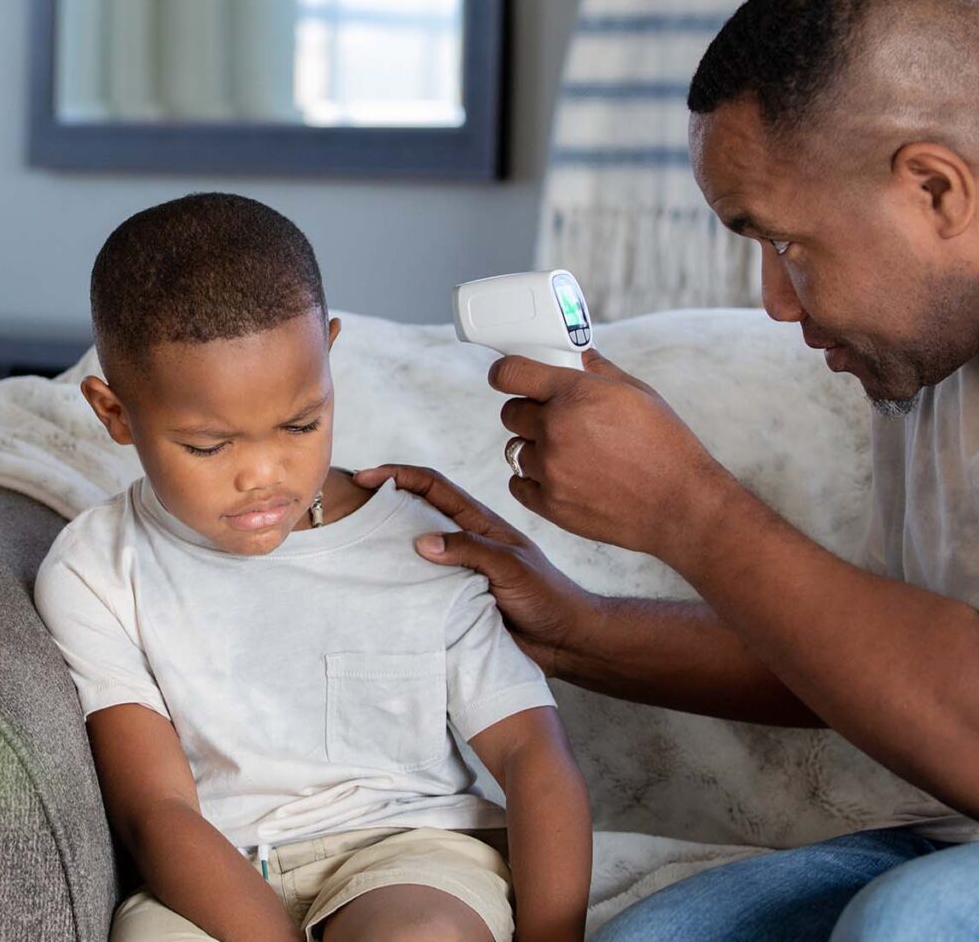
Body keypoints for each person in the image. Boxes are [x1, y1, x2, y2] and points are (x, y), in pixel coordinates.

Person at [355, 0, 979, 940]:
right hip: (973, 840)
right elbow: (900, 669)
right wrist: (578, 624)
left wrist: (686, 505)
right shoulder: (943, 338)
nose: (774, 302)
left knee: (918, 925)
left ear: (933, 189)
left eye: (786, 243)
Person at [33, 193, 591, 942]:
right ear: (115, 414)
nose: (264, 475)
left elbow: (531, 754)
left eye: (300, 424)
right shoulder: (97, 568)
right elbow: (155, 811)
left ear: (330, 353)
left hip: (410, 857)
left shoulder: (422, 544)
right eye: (208, 446)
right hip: (214, 877)